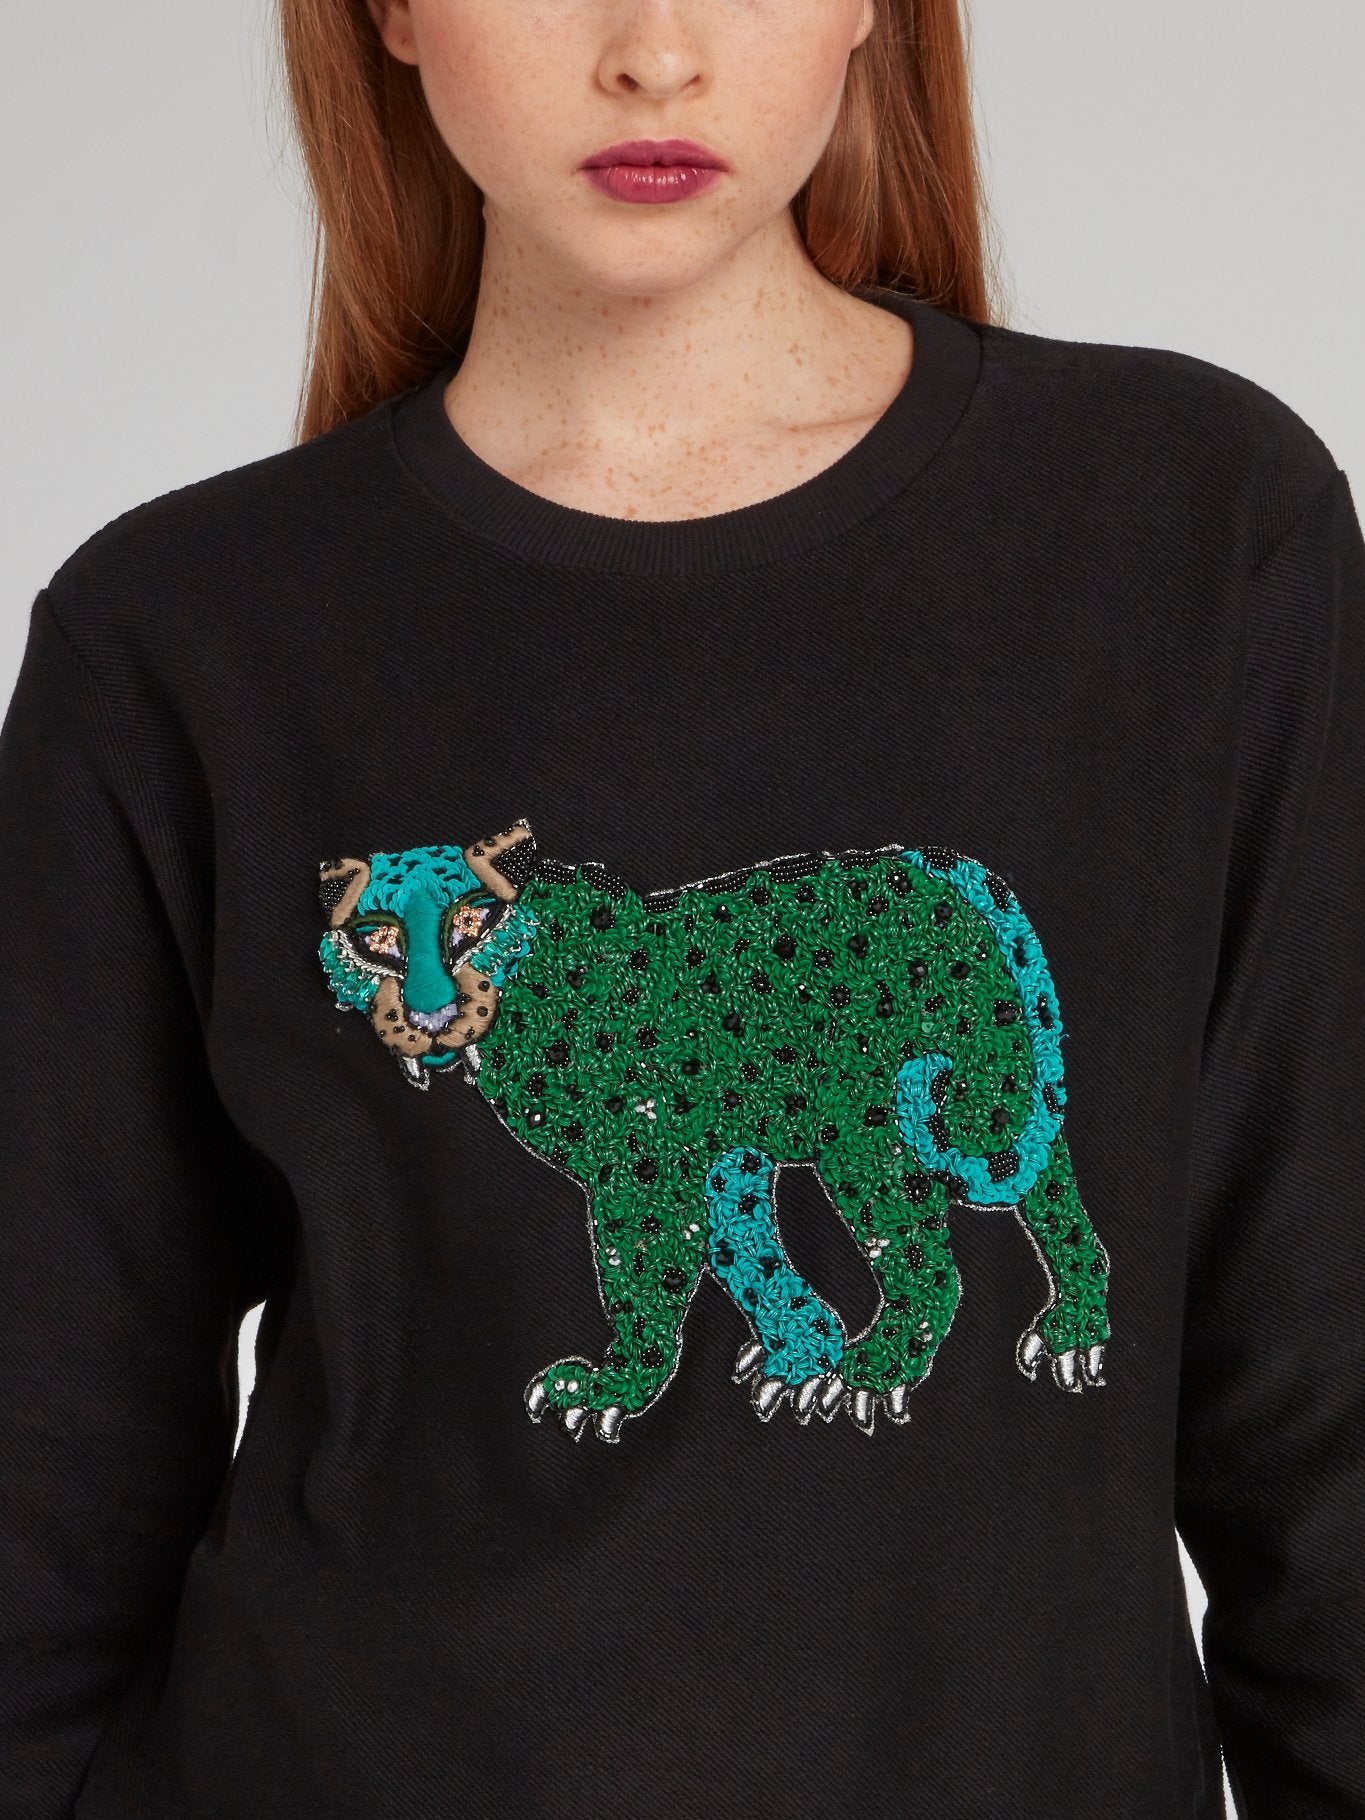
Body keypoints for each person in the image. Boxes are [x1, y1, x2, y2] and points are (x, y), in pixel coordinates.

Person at [1, 0, 1361, 1814]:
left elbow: (1319, 1373)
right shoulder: (176, 635)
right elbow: (49, 1455)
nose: (653, 50)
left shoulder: (1188, 524)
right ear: (391, 11)